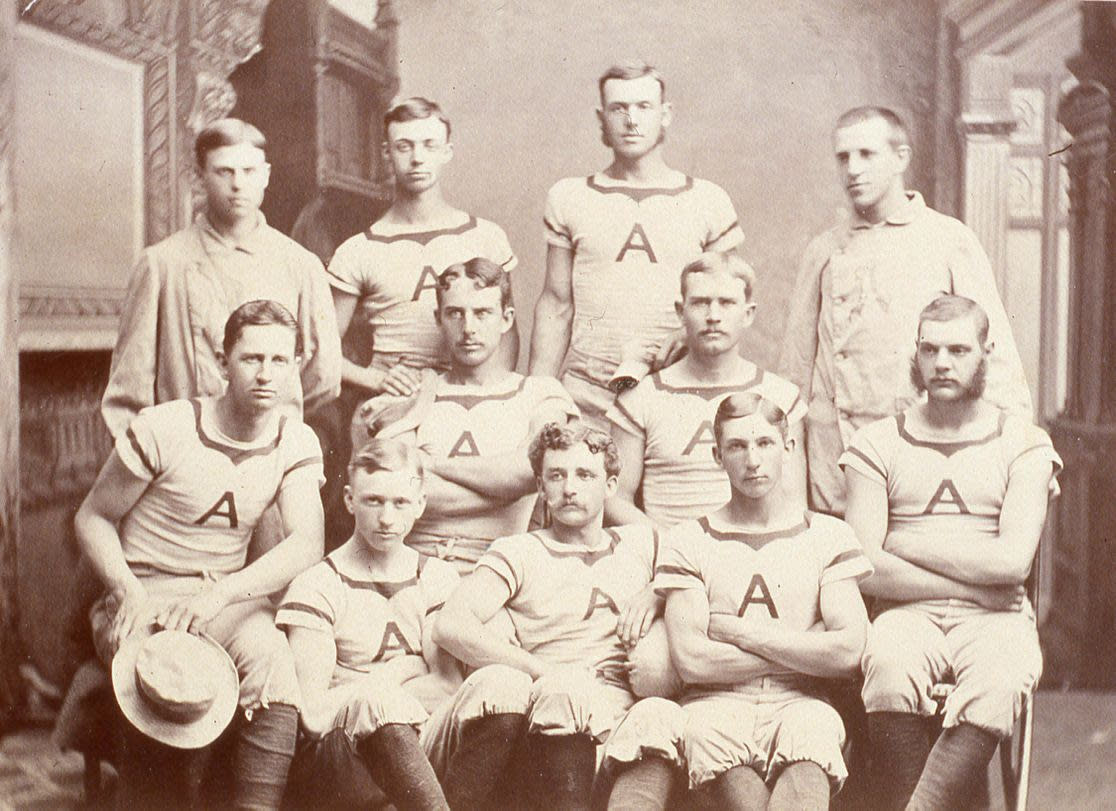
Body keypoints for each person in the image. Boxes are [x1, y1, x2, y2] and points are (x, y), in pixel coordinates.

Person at [74, 300, 326, 809]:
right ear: (221, 361)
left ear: (296, 366)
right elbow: (92, 517)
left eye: (280, 361)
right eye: (251, 358)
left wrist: (221, 595)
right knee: (166, 675)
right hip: (145, 590)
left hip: (220, 598)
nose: (265, 374)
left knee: (273, 658)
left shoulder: (294, 440)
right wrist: (128, 593)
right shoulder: (165, 427)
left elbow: (306, 542)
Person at [600, 393, 872, 810]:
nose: (753, 460)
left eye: (764, 443)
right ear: (716, 455)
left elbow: (849, 650)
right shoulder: (689, 539)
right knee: (713, 742)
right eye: (737, 446)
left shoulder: (828, 536)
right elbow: (693, 660)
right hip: (714, 705)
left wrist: (738, 631)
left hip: (800, 701)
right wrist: (805, 643)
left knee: (813, 735)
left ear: (789, 447)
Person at [841, 295, 1059, 811]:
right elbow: (866, 567)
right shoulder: (876, 443)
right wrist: (973, 586)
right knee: (889, 667)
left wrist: (904, 541)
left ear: (987, 352)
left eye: (958, 350)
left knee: (1001, 678)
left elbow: (1012, 564)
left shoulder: (1024, 444)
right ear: (914, 355)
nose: (942, 363)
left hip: (995, 622)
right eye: (930, 349)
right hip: (908, 611)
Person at [779, 105, 1033, 517]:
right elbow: (793, 371)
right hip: (835, 462)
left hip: (920, 454)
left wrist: (1025, 455)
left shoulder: (947, 239)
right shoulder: (823, 250)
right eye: (843, 157)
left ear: (901, 158)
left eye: (866, 154)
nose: (853, 170)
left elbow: (995, 355)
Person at [427, 422, 663, 810]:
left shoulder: (642, 543)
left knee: (662, 716)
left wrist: (655, 593)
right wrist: (540, 670)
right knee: (567, 690)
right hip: (549, 713)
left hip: (618, 711)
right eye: (556, 475)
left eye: (585, 474)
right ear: (540, 486)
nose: (569, 488)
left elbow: (700, 570)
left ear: (610, 485)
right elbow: (451, 626)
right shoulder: (520, 551)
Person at [529, 62, 744, 429]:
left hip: (676, 391)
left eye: (643, 107)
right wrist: (537, 395)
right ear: (602, 118)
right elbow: (556, 302)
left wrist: (684, 333)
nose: (631, 120)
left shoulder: (707, 200)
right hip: (588, 396)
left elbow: (727, 302)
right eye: (618, 108)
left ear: (665, 114)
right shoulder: (570, 197)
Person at [101, 118, 340, 439]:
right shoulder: (161, 264)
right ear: (200, 178)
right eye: (224, 171)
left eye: (249, 171)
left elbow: (322, 377)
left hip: (272, 456)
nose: (238, 184)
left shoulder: (301, 265)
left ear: (266, 175)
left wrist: (273, 422)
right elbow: (127, 395)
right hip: (184, 458)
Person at [351, 258, 577, 574]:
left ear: (506, 318)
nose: (468, 328)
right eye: (455, 313)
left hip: (502, 575)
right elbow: (397, 485)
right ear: (439, 319)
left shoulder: (540, 394)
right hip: (412, 572)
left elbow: (528, 470)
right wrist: (507, 490)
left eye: (482, 313)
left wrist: (429, 464)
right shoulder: (413, 394)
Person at [277, 439, 461, 810]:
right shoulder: (318, 584)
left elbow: (447, 687)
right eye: (373, 501)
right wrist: (398, 672)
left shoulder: (437, 576)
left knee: (500, 688)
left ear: (421, 504)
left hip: (418, 751)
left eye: (400, 503)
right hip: (345, 762)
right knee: (377, 701)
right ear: (349, 500)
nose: (387, 519)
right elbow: (312, 715)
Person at [328, 97, 519, 397]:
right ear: (386, 153)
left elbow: (506, 338)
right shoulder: (358, 250)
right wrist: (373, 380)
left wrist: (489, 398)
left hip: (468, 395)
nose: (417, 158)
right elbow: (323, 350)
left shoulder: (485, 236)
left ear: (447, 152)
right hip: (393, 400)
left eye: (429, 145)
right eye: (404, 146)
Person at [606, 252, 806, 527]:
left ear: (747, 314)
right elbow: (615, 499)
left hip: (754, 556)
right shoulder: (641, 398)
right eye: (700, 303)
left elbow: (794, 501)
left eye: (726, 303)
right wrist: (672, 548)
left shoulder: (781, 395)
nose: (713, 316)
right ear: (681, 311)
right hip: (669, 558)